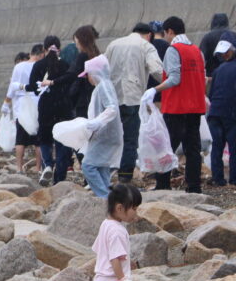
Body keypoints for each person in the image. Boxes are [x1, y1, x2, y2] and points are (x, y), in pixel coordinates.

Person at [144, 16, 207, 193]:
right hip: (195, 107)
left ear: (170, 31)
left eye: (165, 34)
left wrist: (154, 90)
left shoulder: (174, 50)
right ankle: (194, 187)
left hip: (177, 107)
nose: (165, 37)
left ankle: (163, 184)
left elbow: (174, 78)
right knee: (193, 149)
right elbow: (202, 78)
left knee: (166, 145)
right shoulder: (197, 51)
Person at [104, 23, 163, 183]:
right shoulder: (146, 46)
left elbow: (103, 69)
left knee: (113, 137)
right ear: (149, 35)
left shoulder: (113, 44)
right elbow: (157, 71)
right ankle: (125, 176)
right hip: (133, 98)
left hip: (112, 98)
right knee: (130, 138)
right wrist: (170, 83)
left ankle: (106, 173)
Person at [27, 36, 75, 186]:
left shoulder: (38, 65)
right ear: (59, 48)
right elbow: (70, 84)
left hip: (46, 106)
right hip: (63, 106)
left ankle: (47, 164)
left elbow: (34, 89)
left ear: (44, 48)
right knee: (62, 141)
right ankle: (59, 178)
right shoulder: (66, 65)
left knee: (45, 138)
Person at [77, 55, 123, 198]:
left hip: (105, 134)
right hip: (107, 134)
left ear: (95, 73)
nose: (88, 78)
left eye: (88, 74)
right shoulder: (103, 85)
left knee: (88, 166)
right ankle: (110, 198)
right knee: (102, 167)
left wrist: (98, 122)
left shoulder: (103, 86)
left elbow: (112, 108)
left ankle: (104, 197)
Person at [3, 44, 45, 173]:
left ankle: (19, 168)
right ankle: (38, 167)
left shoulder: (18, 67)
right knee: (38, 140)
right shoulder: (41, 66)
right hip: (37, 103)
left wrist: (6, 103)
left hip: (21, 105)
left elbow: (12, 87)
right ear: (40, 54)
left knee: (20, 139)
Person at [206, 39, 236, 186]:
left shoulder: (218, 70)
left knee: (217, 147)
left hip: (215, 113)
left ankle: (218, 179)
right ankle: (234, 179)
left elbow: (211, 94)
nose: (224, 56)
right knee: (233, 147)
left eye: (226, 52)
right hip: (231, 114)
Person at [200, 13, 231, 78]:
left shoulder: (207, 37)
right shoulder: (233, 36)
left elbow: (201, 58)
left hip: (212, 76)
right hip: (231, 75)